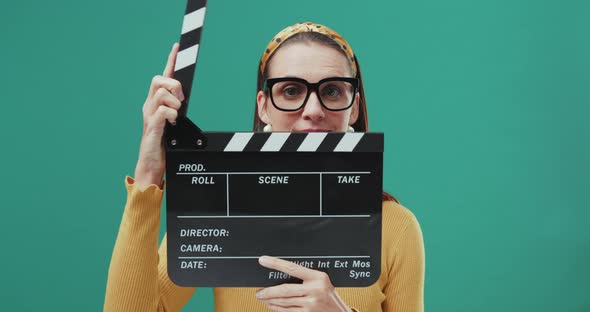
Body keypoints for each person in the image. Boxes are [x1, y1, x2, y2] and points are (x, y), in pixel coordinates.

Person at [104, 22, 425, 312]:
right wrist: (149, 172)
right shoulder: (218, 209)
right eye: (291, 90)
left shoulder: (396, 228)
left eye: (331, 90)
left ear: (353, 107)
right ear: (264, 107)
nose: (313, 110)